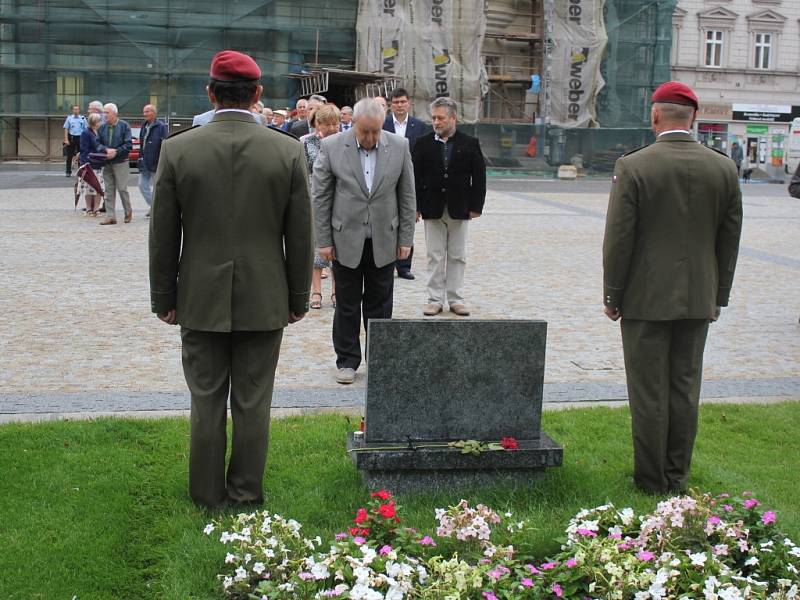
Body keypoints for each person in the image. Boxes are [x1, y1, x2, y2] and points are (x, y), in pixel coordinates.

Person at [149, 50, 313, 508]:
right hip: (266, 297)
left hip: (198, 297)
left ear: (210, 92)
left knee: (205, 401)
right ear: (258, 94)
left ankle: (206, 495)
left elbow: (163, 234)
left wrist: (163, 295)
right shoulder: (287, 150)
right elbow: (301, 236)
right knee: (253, 401)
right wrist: (299, 296)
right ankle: (245, 493)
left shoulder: (179, 148)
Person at [602, 81, 742, 495]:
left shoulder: (635, 165)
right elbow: (729, 238)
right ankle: (677, 476)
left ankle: (651, 479)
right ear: (694, 117)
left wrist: (613, 294)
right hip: (699, 297)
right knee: (684, 388)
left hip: (645, 298)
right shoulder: (723, 167)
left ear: (655, 115)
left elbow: (618, 239)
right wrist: (718, 296)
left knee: (648, 393)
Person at [311, 98, 415, 385]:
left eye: (375, 131)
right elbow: (321, 197)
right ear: (352, 124)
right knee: (346, 302)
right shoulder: (332, 147)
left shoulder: (399, 146)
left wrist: (406, 238)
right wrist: (323, 240)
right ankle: (346, 361)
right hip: (345, 238)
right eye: (365, 131)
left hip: (385, 238)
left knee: (380, 305)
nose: (370, 138)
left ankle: (380, 360)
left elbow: (407, 195)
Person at [412, 97, 486, 317]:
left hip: (460, 207)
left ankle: (456, 298)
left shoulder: (469, 143)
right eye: (433, 118)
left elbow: (479, 177)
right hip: (431, 207)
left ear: (453, 118)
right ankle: (434, 299)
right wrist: (415, 206)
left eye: (440, 118)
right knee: (435, 255)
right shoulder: (422, 143)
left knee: (458, 255)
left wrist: (476, 206)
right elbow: (414, 177)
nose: (436, 122)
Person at [384, 88, 427, 280]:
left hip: (412, 178)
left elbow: (424, 159)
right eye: (396, 102)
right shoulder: (383, 124)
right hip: (386, 178)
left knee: (407, 221)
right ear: (390, 104)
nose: (399, 105)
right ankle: (386, 262)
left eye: (402, 102)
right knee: (386, 222)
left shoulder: (419, 126)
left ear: (408, 103)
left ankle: (404, 266)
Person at [302, 104, 341, 310]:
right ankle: (316, 291)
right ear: (319, 124)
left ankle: (336, 291)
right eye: (329, 124)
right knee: (317, 247)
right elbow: (302, 172)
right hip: (314, 200)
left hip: (340, 200)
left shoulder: (345, 142)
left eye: (337, 123)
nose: (334, 128)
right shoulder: (306, 142)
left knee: (339, 249)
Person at [97, 103, 133, 225]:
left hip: (121, 162)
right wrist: (105, 150)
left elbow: (128, 144)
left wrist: (116, 151)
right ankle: (110, 216)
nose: (104, 115)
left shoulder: (124, 126)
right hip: (106, 163)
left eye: (107, 112)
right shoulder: (102, 128)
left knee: (122, 189)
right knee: (108, 190)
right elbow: (97, 144)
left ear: (115, 113)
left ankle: (128, 212)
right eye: (104, 112)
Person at [137, 104, 169, 218]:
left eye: (147, 111)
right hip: (144, 161)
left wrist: (162, 159)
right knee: (141, 185)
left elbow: (165, 143)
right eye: (144, 112)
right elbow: (142, 144)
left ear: (154, 113)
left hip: (156, 161)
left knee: (158, 188)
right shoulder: (144, 126)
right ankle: (154, 207)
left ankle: (158, 209)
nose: (145, 114)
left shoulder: (161, 126)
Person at [77, 112, 106, 216]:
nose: (101, 122)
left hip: (99, 164)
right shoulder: (86, 133)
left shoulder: (101, 132)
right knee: (89, 188)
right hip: (89, 164)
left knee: (98, 187)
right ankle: (89, 208)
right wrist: (84, 164)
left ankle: (96, 208)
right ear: (94, 122)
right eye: (99, 121)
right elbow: (83, 149)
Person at [62, 104, 87, 177]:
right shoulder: (69, 118)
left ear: (79, 110)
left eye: (77, 109)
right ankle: (68, 171)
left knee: (81, 155)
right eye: (74, 109)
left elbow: (86, 129)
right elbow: (66, 129)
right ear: (72, 110)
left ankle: (81, 171)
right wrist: (66, 139)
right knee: (69, 155)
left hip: (81, 138)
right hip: (72, 137)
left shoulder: (83, 118)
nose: (76, 111)